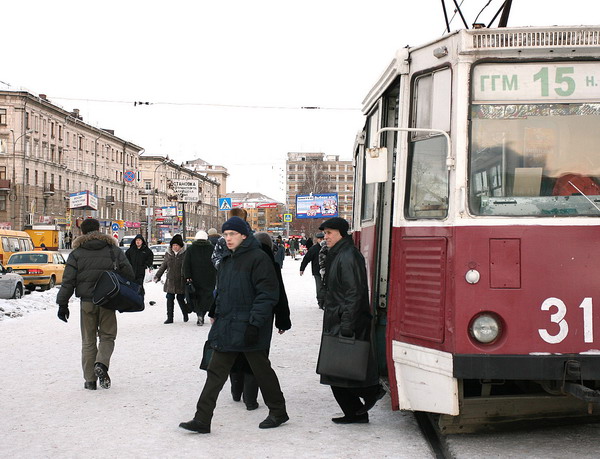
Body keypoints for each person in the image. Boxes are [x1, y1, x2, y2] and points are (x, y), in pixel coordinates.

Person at [179, 217, 288, 434]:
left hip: (250, 327)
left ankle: (278, 411)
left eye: (232, 234)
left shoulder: (259, 258)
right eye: (225, 234)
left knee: (261, 371)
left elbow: (267, 295)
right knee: (215, 372)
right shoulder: (228, 260)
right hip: (228, 325)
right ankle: (202, 419)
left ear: (244, 236)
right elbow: (223, 293)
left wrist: (255, 325)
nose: (227, 239)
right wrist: (216, 313)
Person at [317, 217, 384, 424]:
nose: (325, 237)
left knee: (336, 370)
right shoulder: (339, 254)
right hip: (339, 317)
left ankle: (370, 393)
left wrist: (347, 323)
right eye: (325, 233)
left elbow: (354, 293)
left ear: (341, 234)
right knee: (337, 371)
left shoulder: (347, 256)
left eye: (329, 233)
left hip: (345, 319)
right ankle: (357, 411)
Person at [56, 218, 135, 390]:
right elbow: (129, 273)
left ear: (82, 232)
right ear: (99, 230)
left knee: (88, 340)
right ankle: (101, 364)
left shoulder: (76, 253)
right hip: (108, 300)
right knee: (107, 336)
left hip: (87, 302)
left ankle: (90, 380)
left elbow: (68, 281)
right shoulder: (112, 249)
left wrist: (63, 304)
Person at [228, 231, 291, 411]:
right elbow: (279, 295)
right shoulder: (271, 263)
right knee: (258, 355)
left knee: (237, 352)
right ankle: (250, 400)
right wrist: (282, 320)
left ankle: (235, 390)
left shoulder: (241, 259)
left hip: (238, 315)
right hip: (263, 317)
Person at [183, 230, 216, 326]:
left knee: (196, 297)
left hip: (195, 277)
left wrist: (187, 276)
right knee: (207, 296)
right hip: (209, 277)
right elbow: (216, 262)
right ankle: (204, 312)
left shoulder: (191, 249)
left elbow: (186, 264)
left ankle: (199, 314)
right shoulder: (212, 248)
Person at [154, 234, 188, 324]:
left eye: (176, 245)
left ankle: (185, 314)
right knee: (169, 298)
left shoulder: (185, 254)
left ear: (180, 246)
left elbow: (188, 267)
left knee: (180, 298)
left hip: (181, 280)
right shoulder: (168, 254)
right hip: (171, 280)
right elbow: (163, 265)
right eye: (173, 245)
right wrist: (158, 276)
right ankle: (170, 317)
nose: (175, 247)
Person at [299, 232, 325, 309]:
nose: (322, 240)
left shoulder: (330, 247)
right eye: (320, 239)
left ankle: (326, 301)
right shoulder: (314, 249)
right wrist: (302, 268)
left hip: (328, 271)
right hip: (317, 271)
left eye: (323, 239)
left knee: (327, 287)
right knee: (319, 287)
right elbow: (306, 258)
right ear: (317, 240)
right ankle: (321, 302)